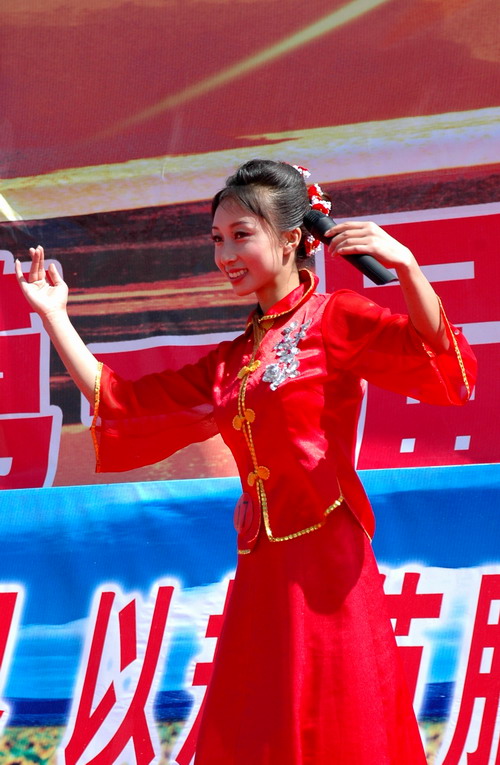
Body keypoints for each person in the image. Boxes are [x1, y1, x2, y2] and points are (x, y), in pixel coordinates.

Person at [16, 159, 476, 764]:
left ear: (291, 239)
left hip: (326, 552)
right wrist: (54, 316)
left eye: (241, 235)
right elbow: (122, 402)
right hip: (262, 561)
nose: (225, 254)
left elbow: (440, 365)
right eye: (217, 239)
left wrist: (408, 267)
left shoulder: (336, 317)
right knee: (258, 719)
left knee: (341, 716)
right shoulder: (233, 361)